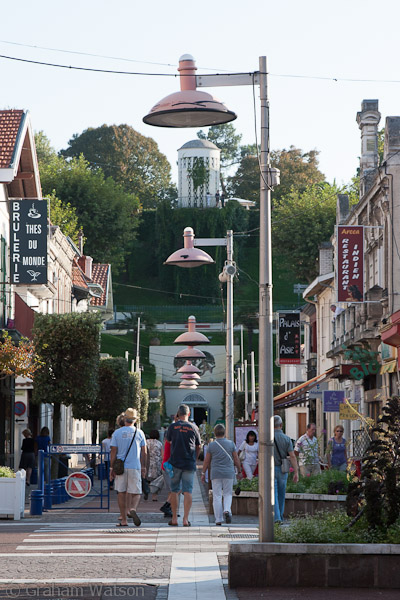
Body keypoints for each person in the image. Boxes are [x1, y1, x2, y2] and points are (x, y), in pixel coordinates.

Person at [165, 404, 201, 527]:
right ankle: (185, 519)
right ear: (188, 414)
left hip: (175, 462)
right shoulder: (194, 427)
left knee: (174, 490)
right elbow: (198, 445)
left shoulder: (172, 427)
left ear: (178, 414)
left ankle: (174, 518)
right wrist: (195, 458)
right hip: (189, 463)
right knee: (188, 491)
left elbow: (168, 441)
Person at [110, 408, 147, 527]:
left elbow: (113, 452)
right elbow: (144, 452)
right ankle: (133, 509)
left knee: (121, 492)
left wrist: (111, 468)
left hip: (120, 467)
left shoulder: (117, 433)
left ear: (124, 419)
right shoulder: (139, 433)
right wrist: (144, 466)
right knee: (136, 492)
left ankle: (124, 520)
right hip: (135, 466)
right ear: (135, 420)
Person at [201, 424, 241, 525]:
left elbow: (207, 461)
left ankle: (218, 519)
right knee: (228, 494)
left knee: (217, 496)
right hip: (228, 472)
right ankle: (227, 510)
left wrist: (203, 472)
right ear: (224, 433)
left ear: (215, 433)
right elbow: (236, 459)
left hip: (216, 473)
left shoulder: (211, 445)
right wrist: (239, 470)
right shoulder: (231, 444)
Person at [274, 416, 299, 523]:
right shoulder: (286, 439)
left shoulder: (267, 438)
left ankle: (276, 518)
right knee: (281, 494)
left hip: (270, 469)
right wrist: (296, 472)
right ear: (281, 425)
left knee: (273, 494)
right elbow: (292, 456)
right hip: (283, 469)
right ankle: (280, 515)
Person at [146, 430, 163, 501]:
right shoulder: (159, 443)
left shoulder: (146, 442)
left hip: (147, 462)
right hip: (156, 463)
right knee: (156, 481)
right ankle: (154, 496)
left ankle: (146, 490)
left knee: (146, 478)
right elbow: (162, 454)